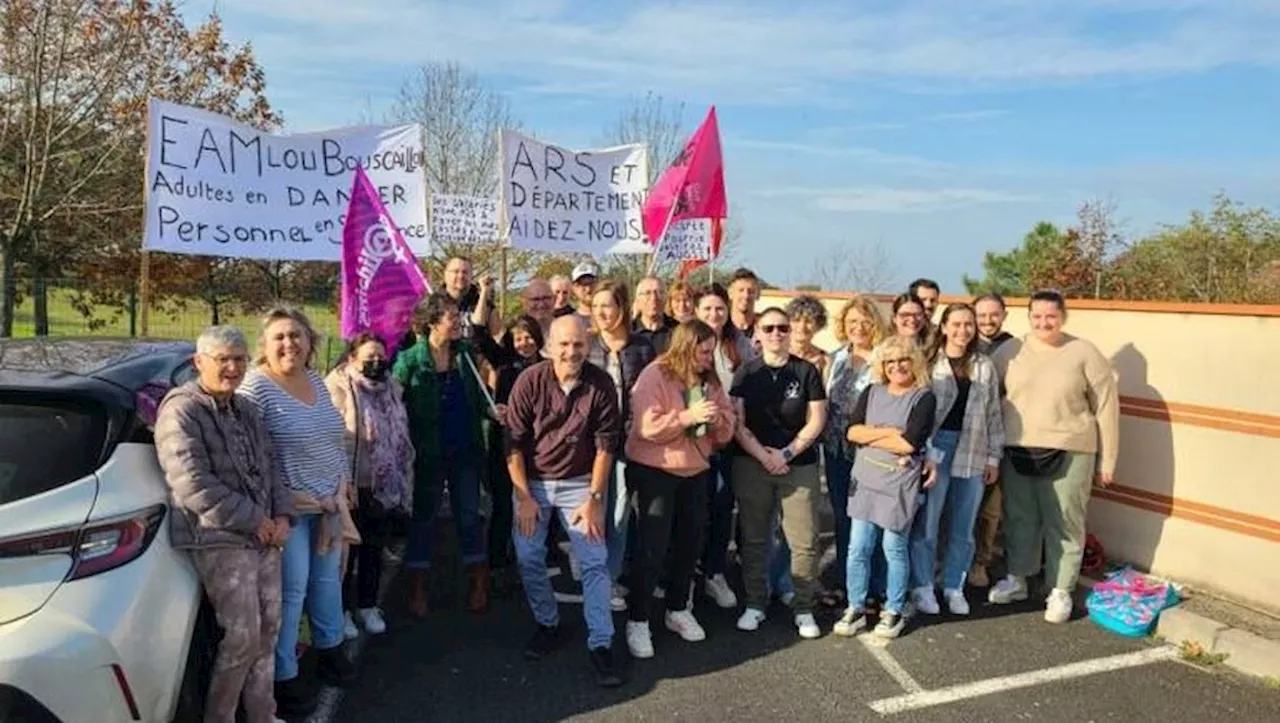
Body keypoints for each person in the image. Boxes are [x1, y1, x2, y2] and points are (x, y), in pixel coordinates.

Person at [155, 325, 294, 723]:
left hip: (265, 535)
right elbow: (192, 485)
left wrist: (282, 516)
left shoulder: (246, 408)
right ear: (199, 363)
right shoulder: (181, 410)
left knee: (269, 632)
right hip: (219, 538)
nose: (232, 368)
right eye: (223, 360)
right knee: (242, 637)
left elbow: (272, 466)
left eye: (239, 359)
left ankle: (263, 715)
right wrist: (257, 521)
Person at [237, 306, 358, 713]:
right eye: (280, 338)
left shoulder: (315, 381)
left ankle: (330, 650)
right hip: (288, 511)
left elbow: (333, 437)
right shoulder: (255, 388)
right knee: (289, 596)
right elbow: (248, 455)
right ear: (265, 347)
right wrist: (271, 510)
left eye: (296, 335)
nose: (289, 343)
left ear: (310, 342)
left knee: (327, 585)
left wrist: (345, 484)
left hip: (328, 504)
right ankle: (283, 677)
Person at [506, 316, 624, 687]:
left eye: (577, 344)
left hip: (580, 483)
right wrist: (524, 496)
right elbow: (512, 444)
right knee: (527, 555)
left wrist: (595, 497)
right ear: (549, 347)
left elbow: (607, 445)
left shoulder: (601, 383)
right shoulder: (530, 381)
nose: (571, 351)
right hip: (534, 483)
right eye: (563, 344)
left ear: (587, 344)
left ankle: (601, 644)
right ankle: (548, 622)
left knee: (594, 562)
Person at [987, 290, 1119, 624]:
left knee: (1064, 520)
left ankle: (1061, 588)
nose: (1044, 323)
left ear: (1064, 317)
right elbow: (989, 399)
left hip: (1071, 447)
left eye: (1051, 317)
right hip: (1018, 446)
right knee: (1020, 517)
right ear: (1028, 317)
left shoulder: (1084, 352)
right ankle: (1018, 577)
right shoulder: (1009, 351)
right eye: (1037, 316)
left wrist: (1109, 459)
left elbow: (1106, 407)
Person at [623, 320, 737, 659]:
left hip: (696, 471)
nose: (708, 358)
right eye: (703, 351)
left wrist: (719, 423)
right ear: (687, 347)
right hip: (655, 471)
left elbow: (726, 427)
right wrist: (688, 417)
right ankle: (638, 619)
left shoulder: (710, 379)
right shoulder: (655, 374)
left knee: (691, 542)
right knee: (652, 547)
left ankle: (677, 608)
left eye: (711, 351)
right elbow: (646, 428)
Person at [729, 307, 827, 640]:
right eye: (769, 328)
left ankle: (803, 607)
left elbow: (816, 420)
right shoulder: (745, 373)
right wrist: (763, 456)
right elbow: (737, 423)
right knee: (755, 539)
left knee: (803, 541)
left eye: (782, 328)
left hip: (798, 465)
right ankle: (755, 603)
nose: (776, 334)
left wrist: (785, 454)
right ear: (758, 331)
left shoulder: (806, 371)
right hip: (752, 464)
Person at [394, 292, 493, 617]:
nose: (458, 322)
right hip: (427, 454)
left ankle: (478, 581)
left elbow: (480, 398)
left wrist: (494, 412)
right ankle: (418, 586)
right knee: (424, 517)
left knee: (468, 515)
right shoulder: (409, 360)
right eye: (451, 317)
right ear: (432, 322)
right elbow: (392, 404)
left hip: (465, 449)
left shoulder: (465, 355)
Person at [834, 336, 937, 640]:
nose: (897, 367)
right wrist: (889, 433)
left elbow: (910, 442)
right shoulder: (872, 391)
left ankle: (893, 609)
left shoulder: (923, 397)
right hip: (865, 479)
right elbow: (852, 431)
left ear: (914, 361)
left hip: (899, 483)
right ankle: (855, 606)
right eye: (890, 362)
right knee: (858, 548)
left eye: (903, 360)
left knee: (893, 547)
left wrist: (874, 435)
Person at [909, 304, 1004, 617]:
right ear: (944, 327)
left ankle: (953, 585)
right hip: (936, 449)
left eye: (969, 325)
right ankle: (923, 585)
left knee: (964, 526)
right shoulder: (928, 363)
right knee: (929, 523)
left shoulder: (984, 366)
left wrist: (993, 456)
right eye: (957, 324)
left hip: (974, 449)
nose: (963, 331)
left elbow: (993, 414)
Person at [326, 333, 415, 637]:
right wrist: (342, 482)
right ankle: (341, 612)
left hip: (382, 485)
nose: (377, 362)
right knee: (343, 556)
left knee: (372, 550)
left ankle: (367, 605)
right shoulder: (337, 387)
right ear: (352, 358)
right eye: (369, 357)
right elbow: (333, 438)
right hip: (349, 484)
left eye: (381, 355)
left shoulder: (392, 387)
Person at [587, 280, 657, 607]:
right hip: (593, 445)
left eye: (609, 305)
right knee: (600, 512)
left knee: (624, 514)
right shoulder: (586, 345)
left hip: (632, 442)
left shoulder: (641, 347)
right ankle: (599, 575)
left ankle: (613, 576)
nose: (602, 312)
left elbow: (652, 393)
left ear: (622, 309)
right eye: (597, 305)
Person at [822, 295, 888, 607]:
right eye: (852, 322)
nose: (858, 328)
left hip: (871, 453)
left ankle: (876, 587)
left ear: (875, 325)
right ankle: (848, 586)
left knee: (872, 518)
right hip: (836, 450)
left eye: (864, 322)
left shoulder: (884, 359)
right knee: (843, 518)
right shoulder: (834, 358)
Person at [694, 283, 757, 609]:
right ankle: (686, 573)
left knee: (722, 509)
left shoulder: (741, 346)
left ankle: (714, 572)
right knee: (693, 513)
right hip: (693, 442)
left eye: (719, 308)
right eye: (707, 309)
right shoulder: (687, 343)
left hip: (729, 441)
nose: (714, 314)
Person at [969, 292, 1014, 587]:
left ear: (1004, 315)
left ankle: (980, 563)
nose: (987, 321)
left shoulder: (1015, 349)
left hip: (996, 438)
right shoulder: (961, 342)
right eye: (981, 315)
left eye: (993, 315)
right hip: (961, 438)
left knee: (989, 510)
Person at [444, 256, 500, 339]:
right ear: (445, 274)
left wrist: (484, 293)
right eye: (456, 271)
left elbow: (497, 335)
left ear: (471, 276)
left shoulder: (483, 301)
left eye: (465, 272)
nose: (461, 276)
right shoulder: (434, 303)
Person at [632, 275, 679, 355]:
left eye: (659, 293)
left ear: (666, 298)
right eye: (647, 293)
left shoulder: (678, 330)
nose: (654, 298)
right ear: (638, 300)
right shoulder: (628, 331)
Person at [728, 268, 761, 339]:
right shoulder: (721, 328)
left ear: (758, 295)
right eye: (741, 290)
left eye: (751, 291)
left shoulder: (766, 329)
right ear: (730, 293)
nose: (746, 296)